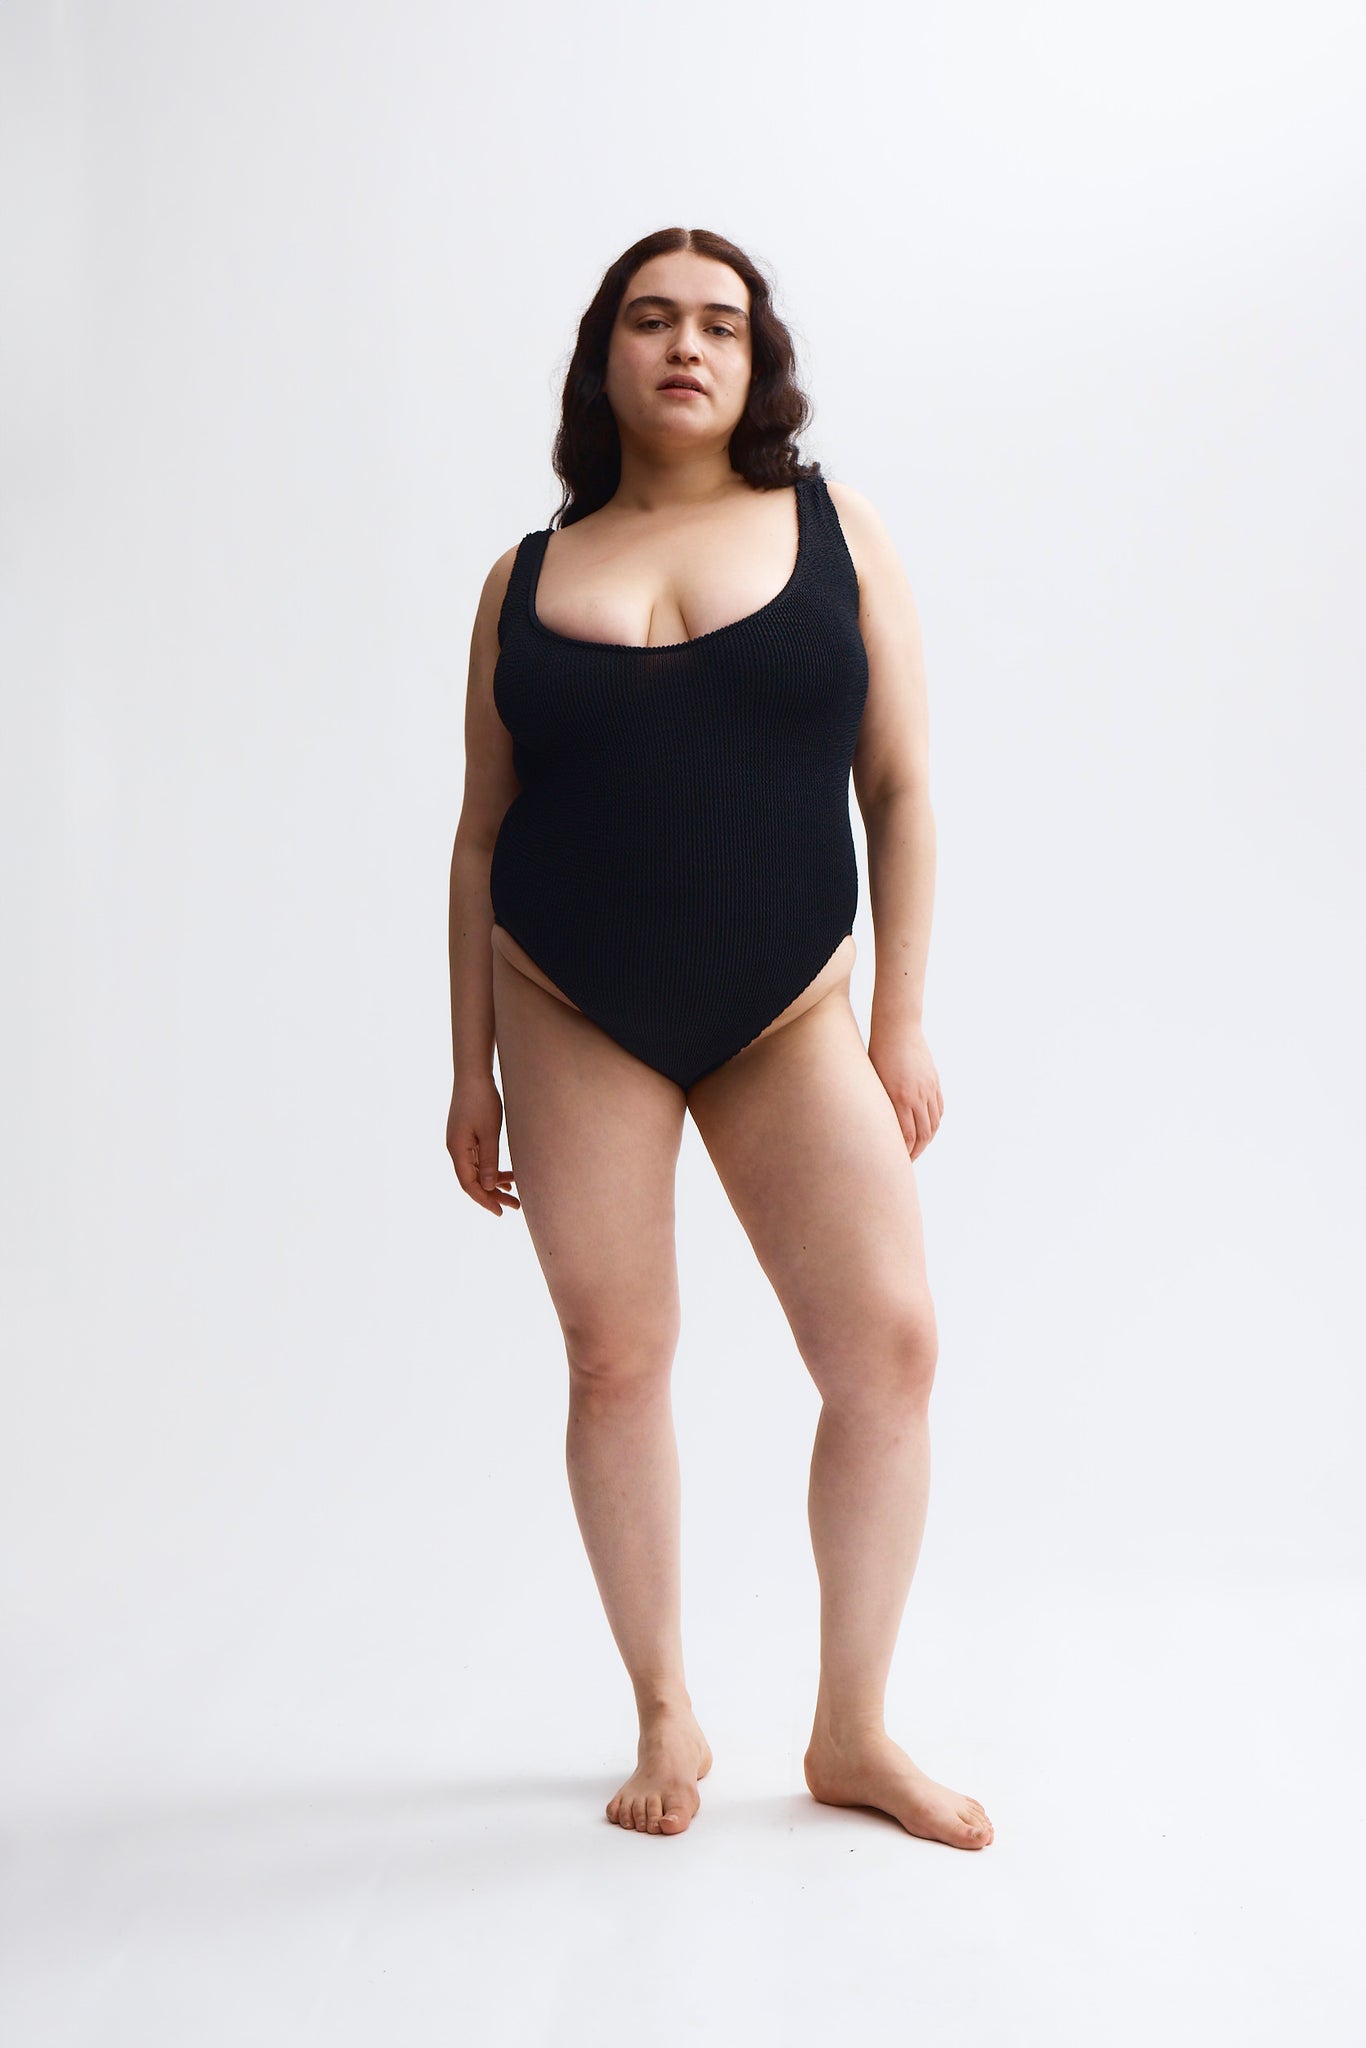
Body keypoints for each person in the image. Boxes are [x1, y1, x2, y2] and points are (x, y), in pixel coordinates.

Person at [446, 226, 993, 1851]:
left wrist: (900, 1019)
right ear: (602, 355)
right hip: (566, 1003)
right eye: (650, 318)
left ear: (757, 365)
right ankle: (664, 1707)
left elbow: (900, 784)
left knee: (887, 1350)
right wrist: (467, 1066)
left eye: (719, 324)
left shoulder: (836, 529)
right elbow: (478, 837)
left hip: (789, 1006)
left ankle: (852, 1729)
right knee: (615, 1359)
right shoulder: (521, 578)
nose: (685, 345)